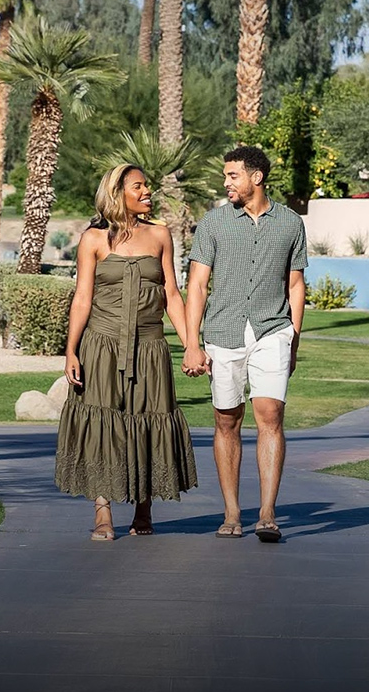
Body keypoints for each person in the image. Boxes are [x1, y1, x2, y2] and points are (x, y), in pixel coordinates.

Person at [55, 163, 200, 540]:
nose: (147, 191)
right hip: (100, 345)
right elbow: (82, 297)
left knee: (149, 420)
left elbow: (171, 294)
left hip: (151, 347)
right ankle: (102, 508)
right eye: (139, 186)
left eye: (147, 185)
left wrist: (191, 346)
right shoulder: (93, 240)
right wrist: (71, 350)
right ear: (118, 193)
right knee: (103, 424)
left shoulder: (160, 235)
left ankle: (143, 507)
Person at [182, 145, 308, 542]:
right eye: (225, 176)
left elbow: (296, 283)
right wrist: (191, 343)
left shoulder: (290, 223)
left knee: (270, 415)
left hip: (274, 329)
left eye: (232, 175)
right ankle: (232, 512)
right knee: (226, 419)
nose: (226, 182)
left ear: (256, 177)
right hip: (223, 333)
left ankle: (267, 513)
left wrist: (294, 340)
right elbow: (197, 285)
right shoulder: (214, 223)